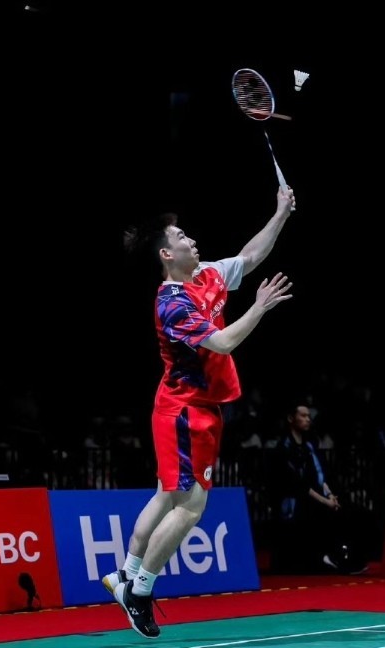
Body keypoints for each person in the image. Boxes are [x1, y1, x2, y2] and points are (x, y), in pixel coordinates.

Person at [102, 186, 295, 638]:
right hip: (184, 412)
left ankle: (126, 573)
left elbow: (249, 257)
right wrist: (259, 308)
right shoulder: (172, 303)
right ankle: (140, 590)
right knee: (191, 506)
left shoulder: (207, 274)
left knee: (165, 496)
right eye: (181, 236)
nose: (192, 239)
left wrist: (281, 213)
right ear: (167, 254)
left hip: (196, 407)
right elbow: (223, 342)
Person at [273, 404, 368, 574]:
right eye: (303, 416)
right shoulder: (284, 447)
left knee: (354, 511)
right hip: (295, 502)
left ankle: (349, 557)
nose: (307, 419)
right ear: (291, 418)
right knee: (326, 514)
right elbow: (299, 484)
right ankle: (330, 558)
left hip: (316, 497)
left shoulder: (309, 446)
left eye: (309, 416)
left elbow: (320, 475)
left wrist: (330, 495)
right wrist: (325, 502)